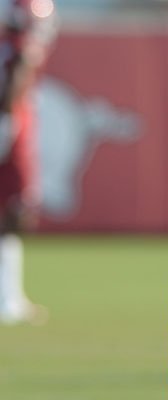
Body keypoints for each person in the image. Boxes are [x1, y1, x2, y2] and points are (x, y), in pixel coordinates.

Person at [0, 0, 57, 325]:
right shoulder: (20, 46)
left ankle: (10, 296)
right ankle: (9, 298)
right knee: (15, 211)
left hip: (10, 119)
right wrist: (7, 122)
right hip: (11, 123)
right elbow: (18, 74)